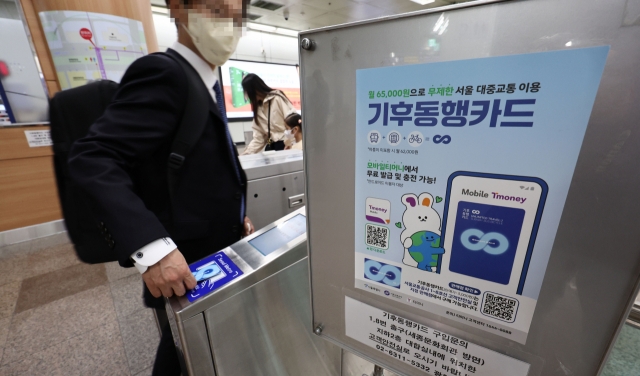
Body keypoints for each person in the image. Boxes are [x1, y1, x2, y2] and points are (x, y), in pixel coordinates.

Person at [67, 1, 253, 375]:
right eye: (217, 10)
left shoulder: (206, 81)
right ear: (178, 9)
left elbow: (190, 166)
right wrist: (152, 251)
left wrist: (235, 216)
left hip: (209, 257)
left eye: (236, 16)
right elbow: (94, 157)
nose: (229, 26)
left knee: (193, 352)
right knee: (184, 354)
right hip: (181, 267)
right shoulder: (165, 73)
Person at [240, 73, 296, 154]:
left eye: (246, 91)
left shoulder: (277, 98)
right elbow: (259, 138)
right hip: (271, 145)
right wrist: (244, 155)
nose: (246, 95)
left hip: (286, 145)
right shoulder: (258, 108)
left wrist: (292, 145)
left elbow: (293, 124)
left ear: (254, 89)